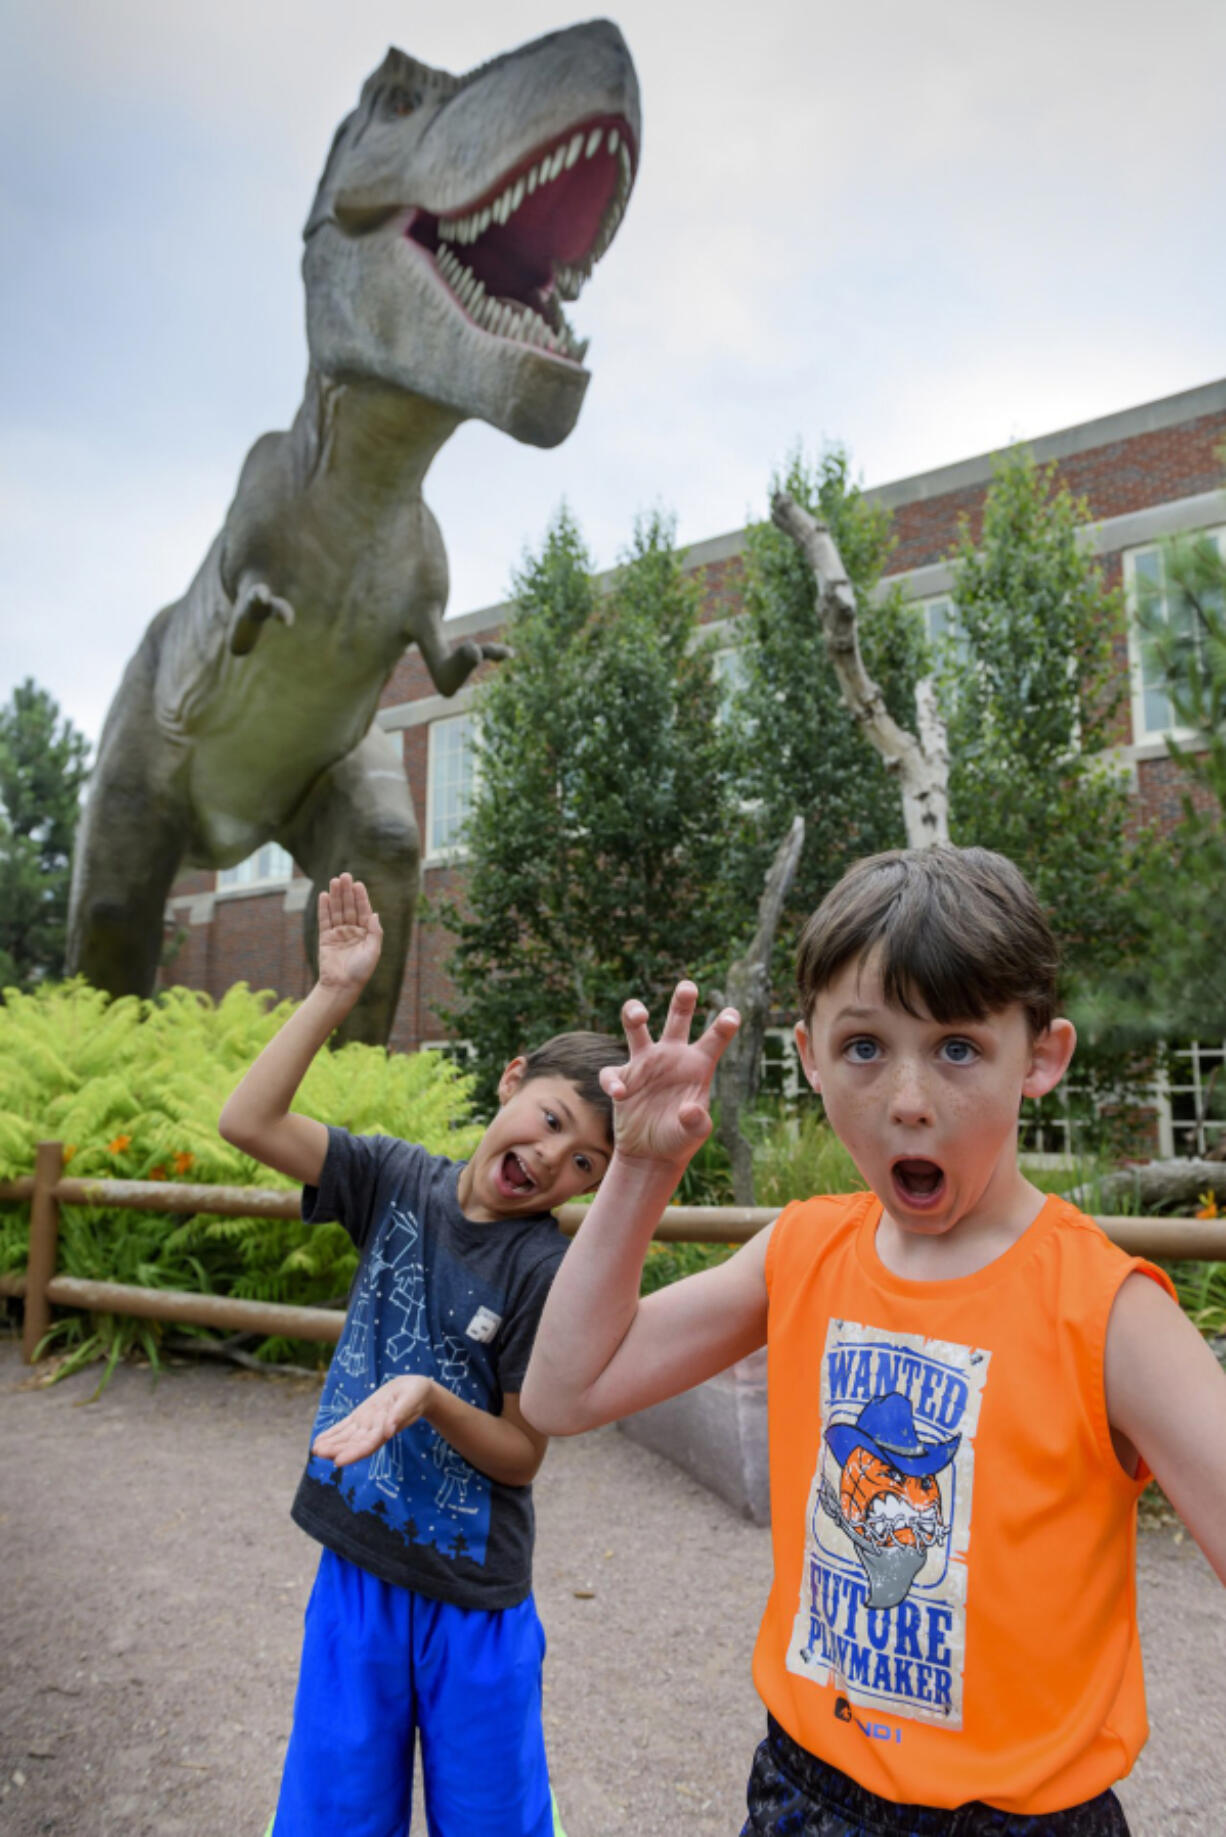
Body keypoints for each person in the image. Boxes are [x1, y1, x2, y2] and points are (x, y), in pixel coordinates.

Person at [521, 845, 1226, 1837]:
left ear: (1042, 1055)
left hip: (1023, 1818)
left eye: (956, 1047)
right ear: (806, 1054)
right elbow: (562, 1392)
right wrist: (638, 1170)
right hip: (805, 1791)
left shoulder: (1109, 1311)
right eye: (863, 1046)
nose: (905, 1097)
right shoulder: (801, 1250)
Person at [219, 872, 624, 1837]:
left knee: (490, 1820)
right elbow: (247, 1122)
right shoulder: (393, 1180)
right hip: (356, 1569)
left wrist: (428, 1398)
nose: (553, 1160)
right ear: (513, 1077)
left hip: (475, 1603)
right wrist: (333, 993)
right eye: (555, 1120)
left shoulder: (545, 1269)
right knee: (333, 1812)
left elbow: (524, 1453)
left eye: (585, 1167)